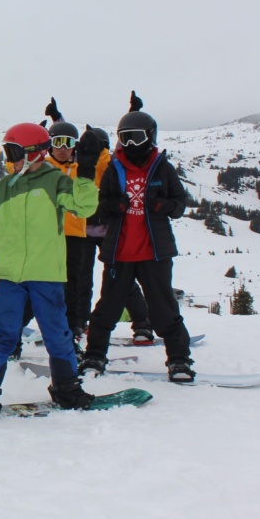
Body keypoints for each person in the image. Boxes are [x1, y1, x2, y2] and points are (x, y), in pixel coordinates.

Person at [0, 123, 99, 416]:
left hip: (45, 274)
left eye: (14, 152)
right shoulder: (6, 185)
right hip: (10, 276)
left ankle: (67, 388)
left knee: (57, 335)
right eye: (8, 153)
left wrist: (86, 172)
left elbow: (84, 207)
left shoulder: (56, 181)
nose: (10, 160)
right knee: (2, 335)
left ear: (35, 153)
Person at [80, 109, 195, 381]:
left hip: (154, 253)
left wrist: (163, 206)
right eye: (125, 138)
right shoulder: (114, 168)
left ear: (150, 137)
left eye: (136, 137)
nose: (131, 144)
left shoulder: (162, 168)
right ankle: (94, 355)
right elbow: (101, 205)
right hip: (120, 253)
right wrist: (114, 205)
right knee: (107, 308)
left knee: (163, 308)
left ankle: (179, 359)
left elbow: (180, 204)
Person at [76, 94, 155, 345]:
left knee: (100, 281)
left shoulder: (103, 163)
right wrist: (132, 113)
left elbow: (123, 144)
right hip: (95, 231)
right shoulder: (99, 163)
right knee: (108, 280)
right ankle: (139, 324)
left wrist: (132, 112)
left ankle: (82, 322)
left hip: (98, 231)